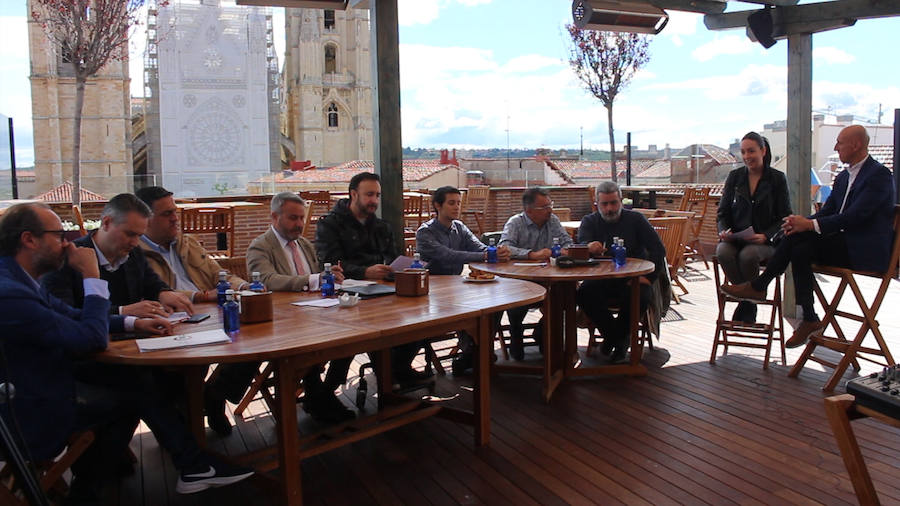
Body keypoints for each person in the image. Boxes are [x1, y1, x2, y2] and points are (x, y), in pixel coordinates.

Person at [0, 203, 253, 501]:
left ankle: (186, 467)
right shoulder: (11, 292)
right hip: (25, 411)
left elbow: (71, 316)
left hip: (38, 384)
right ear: (29, 239)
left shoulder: (19, 282)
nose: (66, 242)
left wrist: (135, 322)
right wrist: (92, 277)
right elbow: (90, 339)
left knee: (136, 385)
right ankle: (92, 491)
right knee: (134, 391)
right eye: (59, 235)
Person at [722, 125, 895, 348]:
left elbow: (855, 217)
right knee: (797, 241)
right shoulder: (843, 177)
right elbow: (827, 211)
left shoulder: (878, 175)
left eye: (840, 143)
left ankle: (761, 286)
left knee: (797, 241)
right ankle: (809, 317)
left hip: (862, 249)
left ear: (856, 144)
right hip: (840, 244)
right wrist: (800, 223)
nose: (836, 147)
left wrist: (809, 224)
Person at [206, 192, 354, 427]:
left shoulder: (304, 244)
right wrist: (312, 280)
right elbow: (267, 280)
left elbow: (316, 278)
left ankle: (323, 391)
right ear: (274, 217)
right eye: (293, 218)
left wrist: (329, 277)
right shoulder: (260, 246)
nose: (299, 224)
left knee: (352, 336)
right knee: (287, 347)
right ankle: (317, 396)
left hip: (314, 316)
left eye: (301, 218)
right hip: (279, 322)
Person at [315, 172, 427, 384]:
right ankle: (329, 389)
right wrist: (365, 271)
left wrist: (399, 268)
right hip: (347, 297)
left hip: (385, 293)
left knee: (422, 318)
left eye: (377, 195)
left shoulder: (382, 226)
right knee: (351, 335)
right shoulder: (330, 224)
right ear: (353, 194)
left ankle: (397, 369)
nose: (374, 200)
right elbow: (329, 263)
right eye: (369, 195)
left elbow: (394, 257)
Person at [42, 193, 194, 322]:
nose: (135, 242)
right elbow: (65, 316)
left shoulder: (133, 253)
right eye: (129, 234)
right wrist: (123, 311)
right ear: (107, 223)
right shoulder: (66, 260)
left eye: (139, 236)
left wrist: (163, 293)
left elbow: (151, 283)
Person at [415, 186, 511, 374]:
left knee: (497, 303)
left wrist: (495, 252)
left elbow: (479, 247)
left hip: (458, 287)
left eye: (458, 203)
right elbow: (448, 255)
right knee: (471, 308)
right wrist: (483, 256)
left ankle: (475, 351)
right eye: (451, 203)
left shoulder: (459, 227)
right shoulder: (425, 232)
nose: (456, 207)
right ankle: (475, 351)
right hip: (433, 291)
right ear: (437, 205)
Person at [576, 181, 667, 363]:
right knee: (584, 293)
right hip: (601, 279)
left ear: (621, 202)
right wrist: (588, 246)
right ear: (597, 205)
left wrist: (648, 278)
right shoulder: (589, 221)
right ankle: (617, 338)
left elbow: (658, 250)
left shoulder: (636, 219)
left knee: (639, 296)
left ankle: (614, 340)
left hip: (633, 278)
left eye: (613, 203)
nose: (609, 208)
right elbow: (579, 247)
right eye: (605, 204)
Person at [716, 132, 791, 323]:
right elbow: (722, 212)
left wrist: (766, 235)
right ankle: (749, 301)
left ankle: (747, 299)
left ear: (763, 151)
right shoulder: (734, 177)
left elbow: (785, 216)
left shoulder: (777, 179)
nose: (747, 156)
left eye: (751, 151)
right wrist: (723, 231)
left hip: (764, 241)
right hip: (736, 238)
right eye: (743, 152)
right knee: (723, 252)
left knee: (748, 255)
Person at [135, 186, 248, 302]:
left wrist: (243, 286)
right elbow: (153, 294)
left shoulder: (188, 243)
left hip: (210, 309)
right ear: (145, 219)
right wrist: (201, 296)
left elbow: (218, 274)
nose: (175, 218)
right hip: (175, 314)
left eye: (174, 211)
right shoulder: (134, 255)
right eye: (167, 214)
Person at [498, 187, 573, 360]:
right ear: (529, 210)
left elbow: (567, 242)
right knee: (516, 303)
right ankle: (516, 334)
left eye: (550, 205)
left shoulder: (552, 220)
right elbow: (505, 247)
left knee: (566, 295)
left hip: (550, 278)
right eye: (544, 207)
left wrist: (563, 251)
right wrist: (531, 254)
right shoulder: (515, 223)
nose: (550, 210)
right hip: (520, 279)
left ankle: (542, 331)